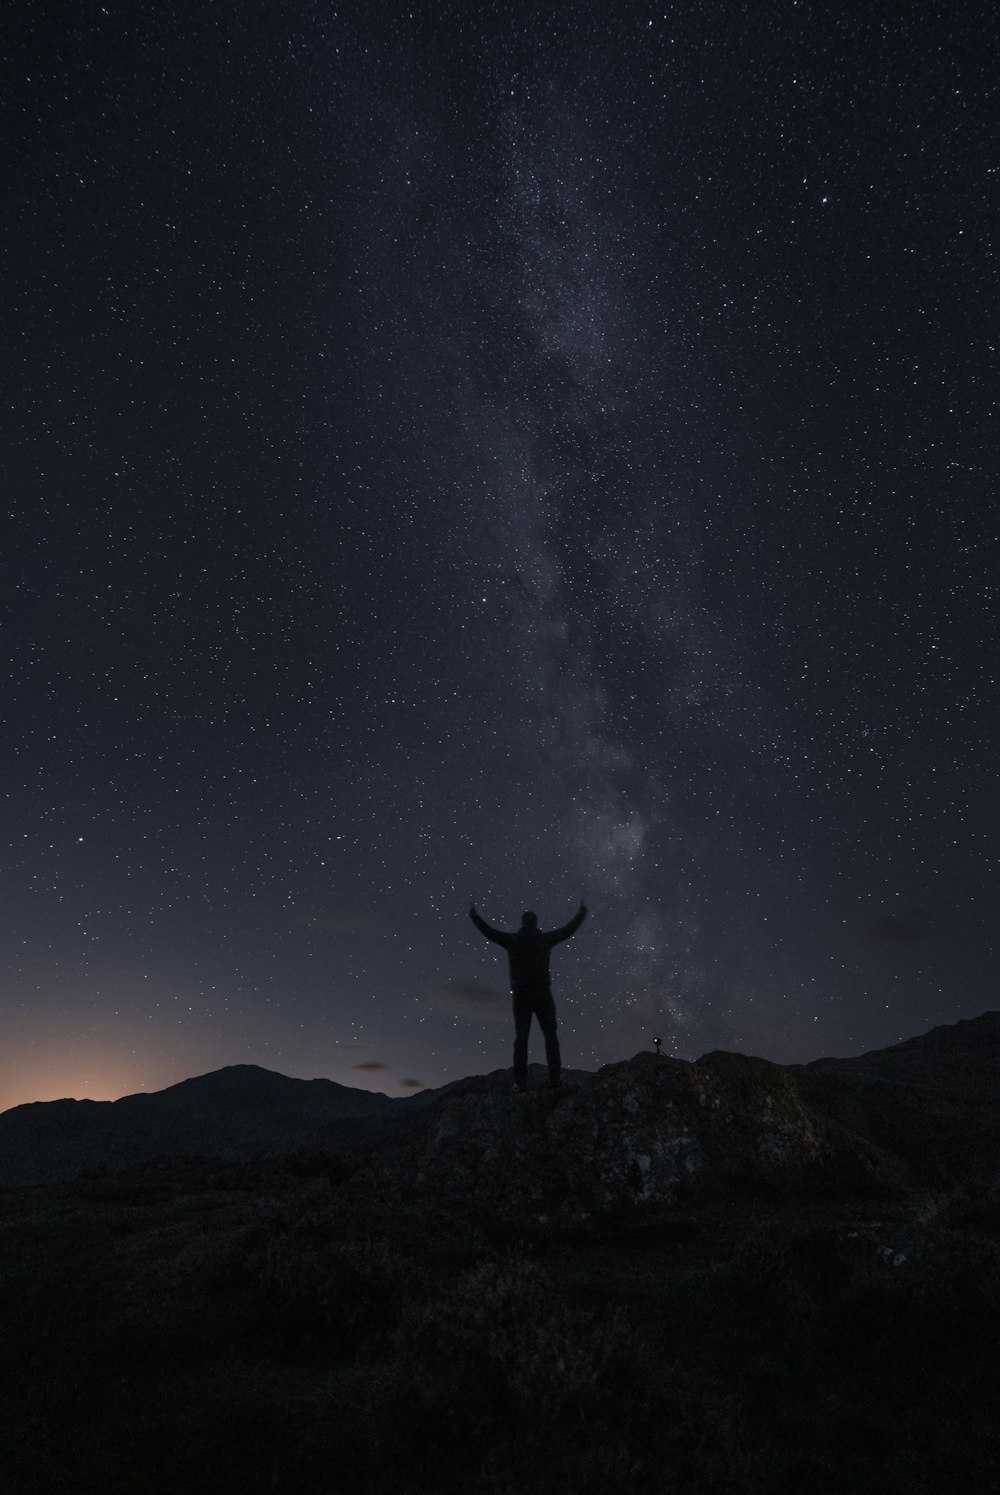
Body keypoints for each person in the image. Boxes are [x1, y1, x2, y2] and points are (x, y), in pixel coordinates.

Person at [468, 901, 587, 1092]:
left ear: (523, 923)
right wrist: (581, 913)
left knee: (521, 1038)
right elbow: (567, 930)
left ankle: (521, 1082)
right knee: (550, 1037)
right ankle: (555, 1079)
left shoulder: (513, 941)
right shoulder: (545, 940)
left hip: (522, 994)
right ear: (535, 923)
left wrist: (474, 916)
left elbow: (489, 932)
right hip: (542, 993)